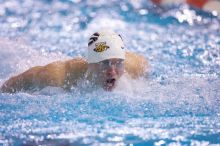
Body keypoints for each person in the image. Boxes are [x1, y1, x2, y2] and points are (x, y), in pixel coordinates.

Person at [0, 30, 149, 93]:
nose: (112, 71)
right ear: (90, 63)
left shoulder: (134, 66)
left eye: (117, 62)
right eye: (104, 63)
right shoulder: (56, 76)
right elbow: (8, 87)